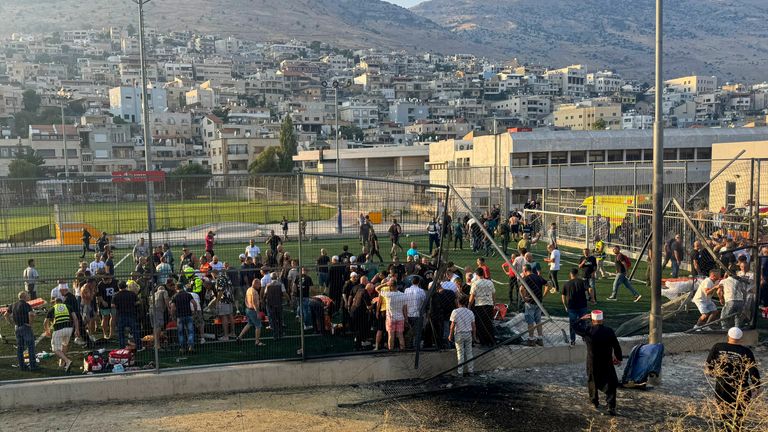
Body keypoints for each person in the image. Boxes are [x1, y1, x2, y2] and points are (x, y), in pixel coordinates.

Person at [705, 327, 761, 430]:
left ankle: (724, 428)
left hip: (722, 385)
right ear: (741, 338)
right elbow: (753, 370)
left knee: (723, 412)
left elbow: (709, 363)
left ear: (728, 336)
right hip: (740, 387)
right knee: (738, 413)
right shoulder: (746, 351)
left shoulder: (718, 347)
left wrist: (712, 373)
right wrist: (757, 386)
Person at [574, 310, 623, 416]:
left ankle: (594, 401)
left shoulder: (588, 331)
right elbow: (616, 345)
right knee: (610, 382)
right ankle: (611, 405)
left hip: (592, 360)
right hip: (606, 360)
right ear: (602, 320)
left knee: (592, 380)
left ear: (592, 320)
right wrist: (618, 358)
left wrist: (581, 319)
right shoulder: (609, 331)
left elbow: (575, 327)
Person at [4, 291, 38, 371]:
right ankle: (33, 366)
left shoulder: (13, 304)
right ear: (24, 297)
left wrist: (11, 322)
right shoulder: (26, 305)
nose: (29, 296)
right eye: (27, 295)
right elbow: (31, 314)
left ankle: (22, 366)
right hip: (25, 327)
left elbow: (6, 314)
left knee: (20, 348)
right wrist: (30, 324)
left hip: (17, 327)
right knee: (30, 347)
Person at [44, 297, 79, 373]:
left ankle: (67, 361)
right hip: (69, 329)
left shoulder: (52, 309)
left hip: (59, 329)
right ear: (62, 302)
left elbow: (45, 322)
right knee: (64, 344)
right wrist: (77, 329)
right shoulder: (68, 307)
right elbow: (75, 319)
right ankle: (62, 363)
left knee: (55, 349)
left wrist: (47, 331)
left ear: (55, 303)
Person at [562, 268, 595, 345]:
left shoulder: (566, 284)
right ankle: (584, 338)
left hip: (572, 307)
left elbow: (563, 296)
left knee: (573, 324)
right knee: (584, 323)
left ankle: (572, 340)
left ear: (571, 274)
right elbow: (590, 289)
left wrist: (565, 306)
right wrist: (592, 298)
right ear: (577, 274)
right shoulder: (582, 282)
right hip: (582, 306)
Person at [448, 295, 477, 377]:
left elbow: (452, 325)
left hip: (459, 334)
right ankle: (471, 371)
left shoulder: (455, 312)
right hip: (468, 333)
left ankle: (460, 372)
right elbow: (474, 326)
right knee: (469, 353)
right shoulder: (470, 312)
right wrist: (474, 336)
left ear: (458, 302)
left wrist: (450, 335)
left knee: (460, 353)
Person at [521, 264, 549, 346]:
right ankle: (540, 339)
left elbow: (521, 289)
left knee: (530, 322)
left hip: (530, 303)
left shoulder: (526, 278)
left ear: (525, 270)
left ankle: (531, 339)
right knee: (538, 321)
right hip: (539, 303)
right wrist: (544, 295)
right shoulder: (538, 277)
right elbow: (548, 284)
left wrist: (524, 298)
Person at [379, 280, 408, 351]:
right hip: (400, 318)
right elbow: (404, 308)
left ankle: (391, 350)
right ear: (397, 286)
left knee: (391, 335)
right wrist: (406, 319)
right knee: (400, 335)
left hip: (390, 318)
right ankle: (402, 349)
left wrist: (385, 284)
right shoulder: (403, 295)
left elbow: (377, 288)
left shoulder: (388, 295)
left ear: (390, 286)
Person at [469, 268, 495, 346]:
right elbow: (493, 294)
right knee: (489, 323)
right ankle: (491, 340)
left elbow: (472, 295)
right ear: (483, 274)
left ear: (476, 275)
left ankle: (483, 341)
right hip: (489, 304)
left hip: (480, 305)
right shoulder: (490, 282)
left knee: (480, 324)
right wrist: (494, 303)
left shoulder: (475, 283)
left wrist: (469, 305)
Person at [111, 281, 141, 349]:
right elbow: (138, 302)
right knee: (135, 331)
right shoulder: (132, 294)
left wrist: (119, 306)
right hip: (131, 314)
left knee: (121, 333)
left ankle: (122, 348)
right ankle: (139, 347)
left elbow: (112, 305)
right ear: (126, 286)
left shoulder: (116, 295)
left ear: (119, 287)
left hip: (121, 315)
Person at [237, 279, 265, 346]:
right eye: (259, 284)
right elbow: (254, 303)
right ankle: (257, 342)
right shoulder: (254, 292)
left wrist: (247, 307)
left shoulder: (249, 289)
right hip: (253, 310)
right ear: (255, 284)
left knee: (249, 324)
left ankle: (239, 337)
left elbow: (245, 299)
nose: (260, 286)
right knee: (258, 326)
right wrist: (257, 313)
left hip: (248, 309)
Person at [170, 285, 196, 354]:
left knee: (181, 333)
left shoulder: (175, 296)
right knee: (190, 332)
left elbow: (172, 307)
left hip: (180, 316)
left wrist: (172, 315)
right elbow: (194, 303)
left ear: (176, 288)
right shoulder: (188, 295)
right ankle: (191, 346)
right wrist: (194, 311)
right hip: (188, 315)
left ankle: (182, 348)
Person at [212, 269, 235, 341]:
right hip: (230, 299)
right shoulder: (226, 277)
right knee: (230, 316)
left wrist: (217, 301)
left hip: (223, 300)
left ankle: (226, 336)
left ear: (214, 274)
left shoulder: (219, 279)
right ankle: (232, 333)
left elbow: (220, 291)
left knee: (224, 316)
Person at [404, 276, 426, 349]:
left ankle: (409, 345)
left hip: (408, 314)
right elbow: (424, 301)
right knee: (417, 332)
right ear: (419, 282)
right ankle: (416, 346)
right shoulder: (421, 291)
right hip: (418, 314)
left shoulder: (406, 290)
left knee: (409, 331)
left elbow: (405, 302)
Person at [264, 273, 287, 340]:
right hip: (279, 303)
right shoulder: (280, 284)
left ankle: (275, 335)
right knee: (280, 319)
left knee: (273, 320)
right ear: (277, 277)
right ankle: (281, 334)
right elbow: (284, 293)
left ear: (271, 278)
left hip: (271, 304)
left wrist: (263, 300)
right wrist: (289, 299)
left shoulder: (268, 285)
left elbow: (265, 294)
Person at [96, 274, 118, 339]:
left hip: (113, 303)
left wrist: (114, 301)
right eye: (103, 280)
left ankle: (111, 333)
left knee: (113, 317)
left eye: (106, 280)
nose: (104, 282)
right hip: (104, 303)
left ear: (109, 279)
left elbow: (117, 292)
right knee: (105, 317)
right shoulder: (100, 284)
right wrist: (102, 301)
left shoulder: (115, 282)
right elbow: (98, 295)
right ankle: (105, 334)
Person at [151, 280, 171, 350]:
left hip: (151, 310)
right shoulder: (164, 291)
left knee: (155, 326)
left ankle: (156, 344)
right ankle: (157, 345)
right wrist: (169, 308)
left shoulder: (154, 293)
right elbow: (166, 300)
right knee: (159, 326)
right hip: (158, 310)